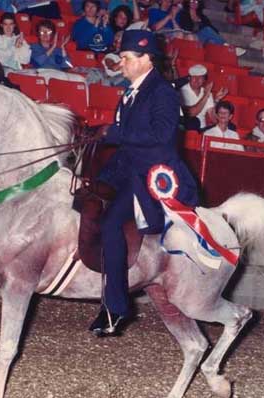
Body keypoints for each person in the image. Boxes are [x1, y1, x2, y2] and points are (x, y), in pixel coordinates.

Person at [89, 29, 199, 336]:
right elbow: (125, 146)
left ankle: (114, 308)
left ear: (146, 58)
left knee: (111, 223)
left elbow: (161, 137)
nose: (120, 64)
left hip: (155, 177)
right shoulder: (129, 93)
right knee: (86, 202)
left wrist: (114, 133)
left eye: (125, 58)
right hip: (128, 171)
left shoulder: (163, 92)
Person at [177, 0, 246, 55]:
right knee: (206, 30)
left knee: (212, 41)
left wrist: (200, 21)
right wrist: (198, 23)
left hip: (203, 37)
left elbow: (213, 29)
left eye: (196, 1)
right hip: (191, 35)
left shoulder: (202, 16)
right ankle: (226, 46)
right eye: (192, 1)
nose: (194, 3)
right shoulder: (184, 13)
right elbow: (185, 27)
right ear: (188, 2)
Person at [179, 64, 228, 131]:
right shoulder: (182, 91)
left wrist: (217, 100)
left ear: (204, 80)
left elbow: (213, 118)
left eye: (200, 77)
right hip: (186, 129)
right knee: (193, 122)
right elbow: (192, 113)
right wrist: (206, 95)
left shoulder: (206, 92)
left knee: (229, 126)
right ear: (189, 78)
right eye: (194, 77)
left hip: (202, 130)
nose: (197, 80)